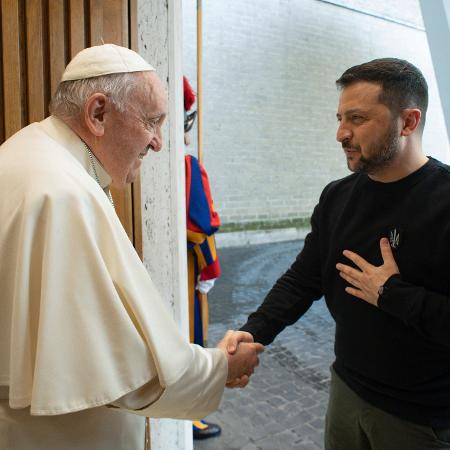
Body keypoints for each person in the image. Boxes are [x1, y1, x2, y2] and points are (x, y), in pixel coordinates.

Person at [0, 44, 263, 450]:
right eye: (152, 122)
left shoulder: (28, 152)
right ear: (98, 113)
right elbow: (117, 369)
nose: (158, 143)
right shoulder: (62, 193)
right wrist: (220, 367)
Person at [225, 58, 450, 450]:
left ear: (409, 122)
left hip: (421, 417)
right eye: (340, 117)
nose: (340, 133)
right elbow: (304, 277)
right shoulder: (338, 196)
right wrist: (254, 332)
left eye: (358, 119)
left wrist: (393, 294)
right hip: (347, 391)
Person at [183, 75, 223, 439]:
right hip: (187, 265)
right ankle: (192, 416)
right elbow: (201, 224)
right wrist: (210, 265)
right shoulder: (187, 165)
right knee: (194, 336)